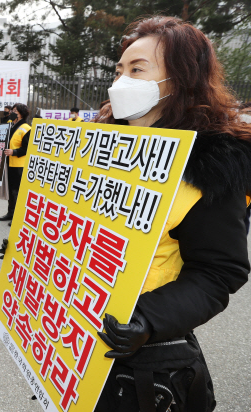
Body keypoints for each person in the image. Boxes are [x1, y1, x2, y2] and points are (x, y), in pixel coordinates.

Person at [89, 16, 251, 411]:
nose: (120, 81)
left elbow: (219, 272)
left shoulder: (209, 165)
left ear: (178, 79)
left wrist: (147, 319)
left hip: (144, 356)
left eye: (137, 70)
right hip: (75, 338)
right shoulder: (97, 148)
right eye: (120, 70)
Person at [0, 103, 31, 225]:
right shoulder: (11, 125)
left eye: (15, 110)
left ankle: (17, 217)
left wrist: (14, 151)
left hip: (18, 165)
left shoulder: (27, 128)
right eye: (12, 110)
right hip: (9, 163)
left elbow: (28, 148)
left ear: (22, 113)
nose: (12, 112)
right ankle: (10, 212)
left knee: (17, 191)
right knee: (11, 189)